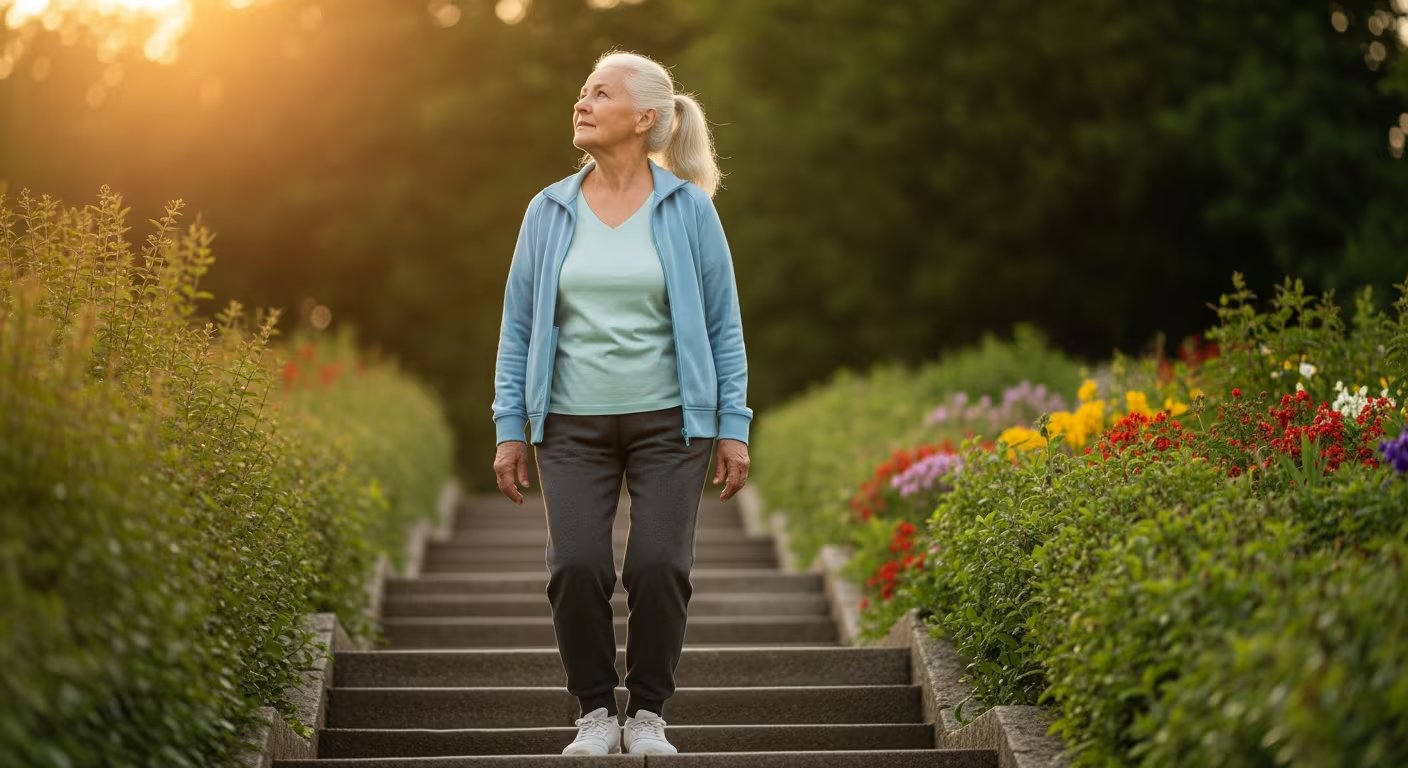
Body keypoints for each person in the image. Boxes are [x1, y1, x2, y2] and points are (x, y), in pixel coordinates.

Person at [489, 49, 753, 756]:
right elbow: (518, 327)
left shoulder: (688, 209)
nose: (582, 103)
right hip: (569, 425)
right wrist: (511, 428)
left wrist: (734, 427)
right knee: (575, 564)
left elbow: (725, 323)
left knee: (659, 565)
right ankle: (596, 713)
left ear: (644, 119)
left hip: (674, 423)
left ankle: (649, 716)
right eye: (582, 92)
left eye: (599, 94)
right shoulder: (548, 210)